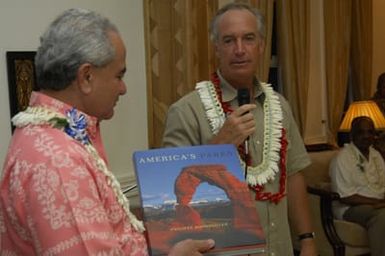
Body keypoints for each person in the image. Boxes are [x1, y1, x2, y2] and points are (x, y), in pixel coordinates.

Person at [0, 8, 215, 255]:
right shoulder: (58, 162)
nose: (123, 89)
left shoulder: (52, 136)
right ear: (86, 77)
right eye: (118, 75)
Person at [162, 3, 317, 256]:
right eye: (229, 40)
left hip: (280, 247)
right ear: (217, 49)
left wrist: (307, 239)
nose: (240, 49)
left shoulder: (279, 105)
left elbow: (294, 175)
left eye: (248, 38)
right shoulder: (186, 111)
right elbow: (172, 193)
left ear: (261, 46)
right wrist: (220, 146)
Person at [330, 116, 385, 256]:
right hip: (351, 207)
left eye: (370, 132)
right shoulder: (343, 158)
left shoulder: (376, 155)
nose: (366, 136)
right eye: (361, 132)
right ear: (352, 135)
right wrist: (378, 203)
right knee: (381, 216)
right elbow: (346, 196)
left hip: (378, 202)